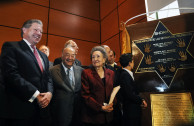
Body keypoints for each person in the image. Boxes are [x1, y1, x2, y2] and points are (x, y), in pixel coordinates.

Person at [1, 19, 53, 126]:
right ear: (24, 30)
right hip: (20, 110)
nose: (39, 33)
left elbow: (48, 77)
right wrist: (36, 94)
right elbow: (11, 75)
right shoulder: (11, 47)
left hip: (41, 112)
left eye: (41, 31)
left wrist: (49, 93)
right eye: (35, 30)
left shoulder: (43, 56)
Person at [81, 46, 115, 126]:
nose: (95, 59)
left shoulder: (111, 73)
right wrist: (101, 108)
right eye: (93, 57)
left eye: (98, 56)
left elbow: (112, 91)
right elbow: (85, 96)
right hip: (92, 116)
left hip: (108, 116)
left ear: (104, 59)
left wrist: (112, 104)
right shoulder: (86, 73)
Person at [50, 47, 83, 126]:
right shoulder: (52, 71)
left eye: (73, 55)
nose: (70, 58)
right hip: (59, 114)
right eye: (67, 55)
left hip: (77, 114)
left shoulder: (81, 71)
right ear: (62, 56)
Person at [119, 53, 147, 126]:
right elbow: (130, 94)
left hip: (133, 109)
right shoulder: (124, 75)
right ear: (129, 63)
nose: (133, 63)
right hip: (130, 111)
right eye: (133, 61)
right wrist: (141, 100)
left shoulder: (127, 74)